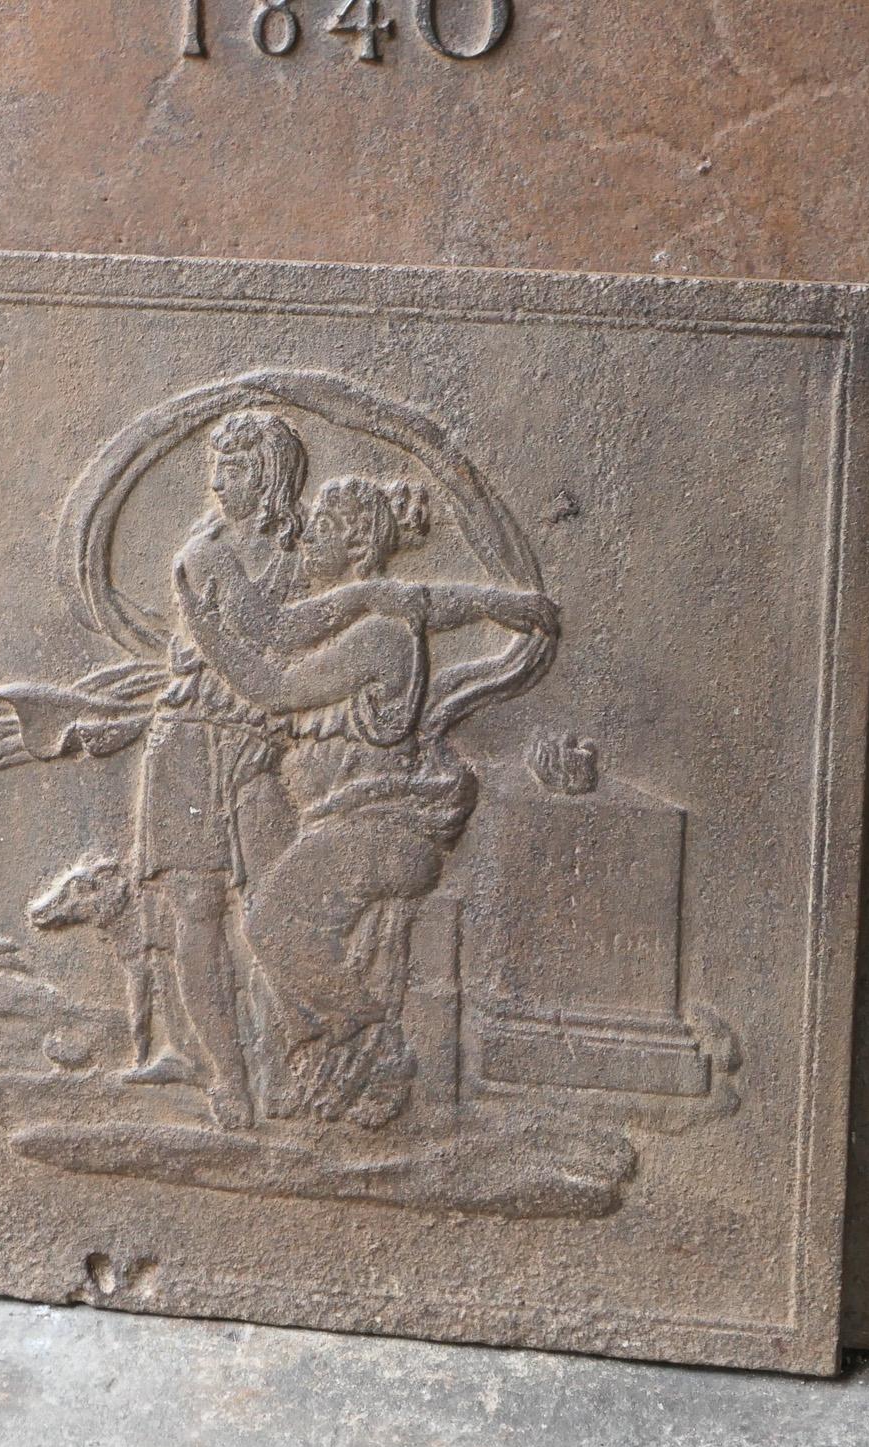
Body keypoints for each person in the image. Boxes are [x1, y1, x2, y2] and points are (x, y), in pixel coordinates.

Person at [175, 475, 558, 1126]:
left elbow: (272, 685)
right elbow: (419, 602)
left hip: (379, 828)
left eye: (321, 529)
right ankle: (327, 1069)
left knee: (270, 924)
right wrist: (492, 601)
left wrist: (202, 624)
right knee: (272, 922)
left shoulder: (377, 637)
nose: (304, 536)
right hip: (346, 825)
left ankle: (379, 1045)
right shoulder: (374, 615)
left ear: (356, 544)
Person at [134, 410, 310, 1130]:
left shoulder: (302, 554)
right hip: (188, 740)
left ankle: (285, 1069)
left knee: (276, 909)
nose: (217, 482)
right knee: (197, 911)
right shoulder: (202, 556)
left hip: (259, 746)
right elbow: (263, 633)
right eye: (215, 467)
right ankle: (229, 1078)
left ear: (268, 477)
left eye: (233, 468)